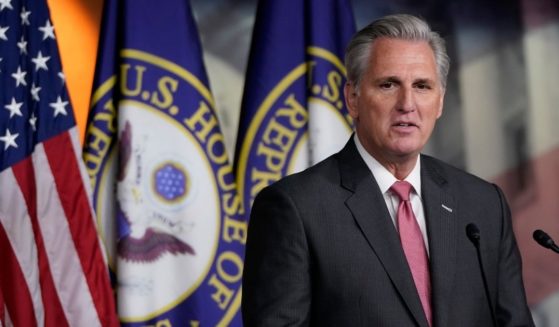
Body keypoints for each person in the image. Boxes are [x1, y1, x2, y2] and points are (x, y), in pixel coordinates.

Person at [241, 14, 534, 327]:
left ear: (439, 102)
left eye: (422, 86)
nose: (407, 103)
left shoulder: (483, 205)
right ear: (353, 98)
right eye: (388, 84)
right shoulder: (295, 209)